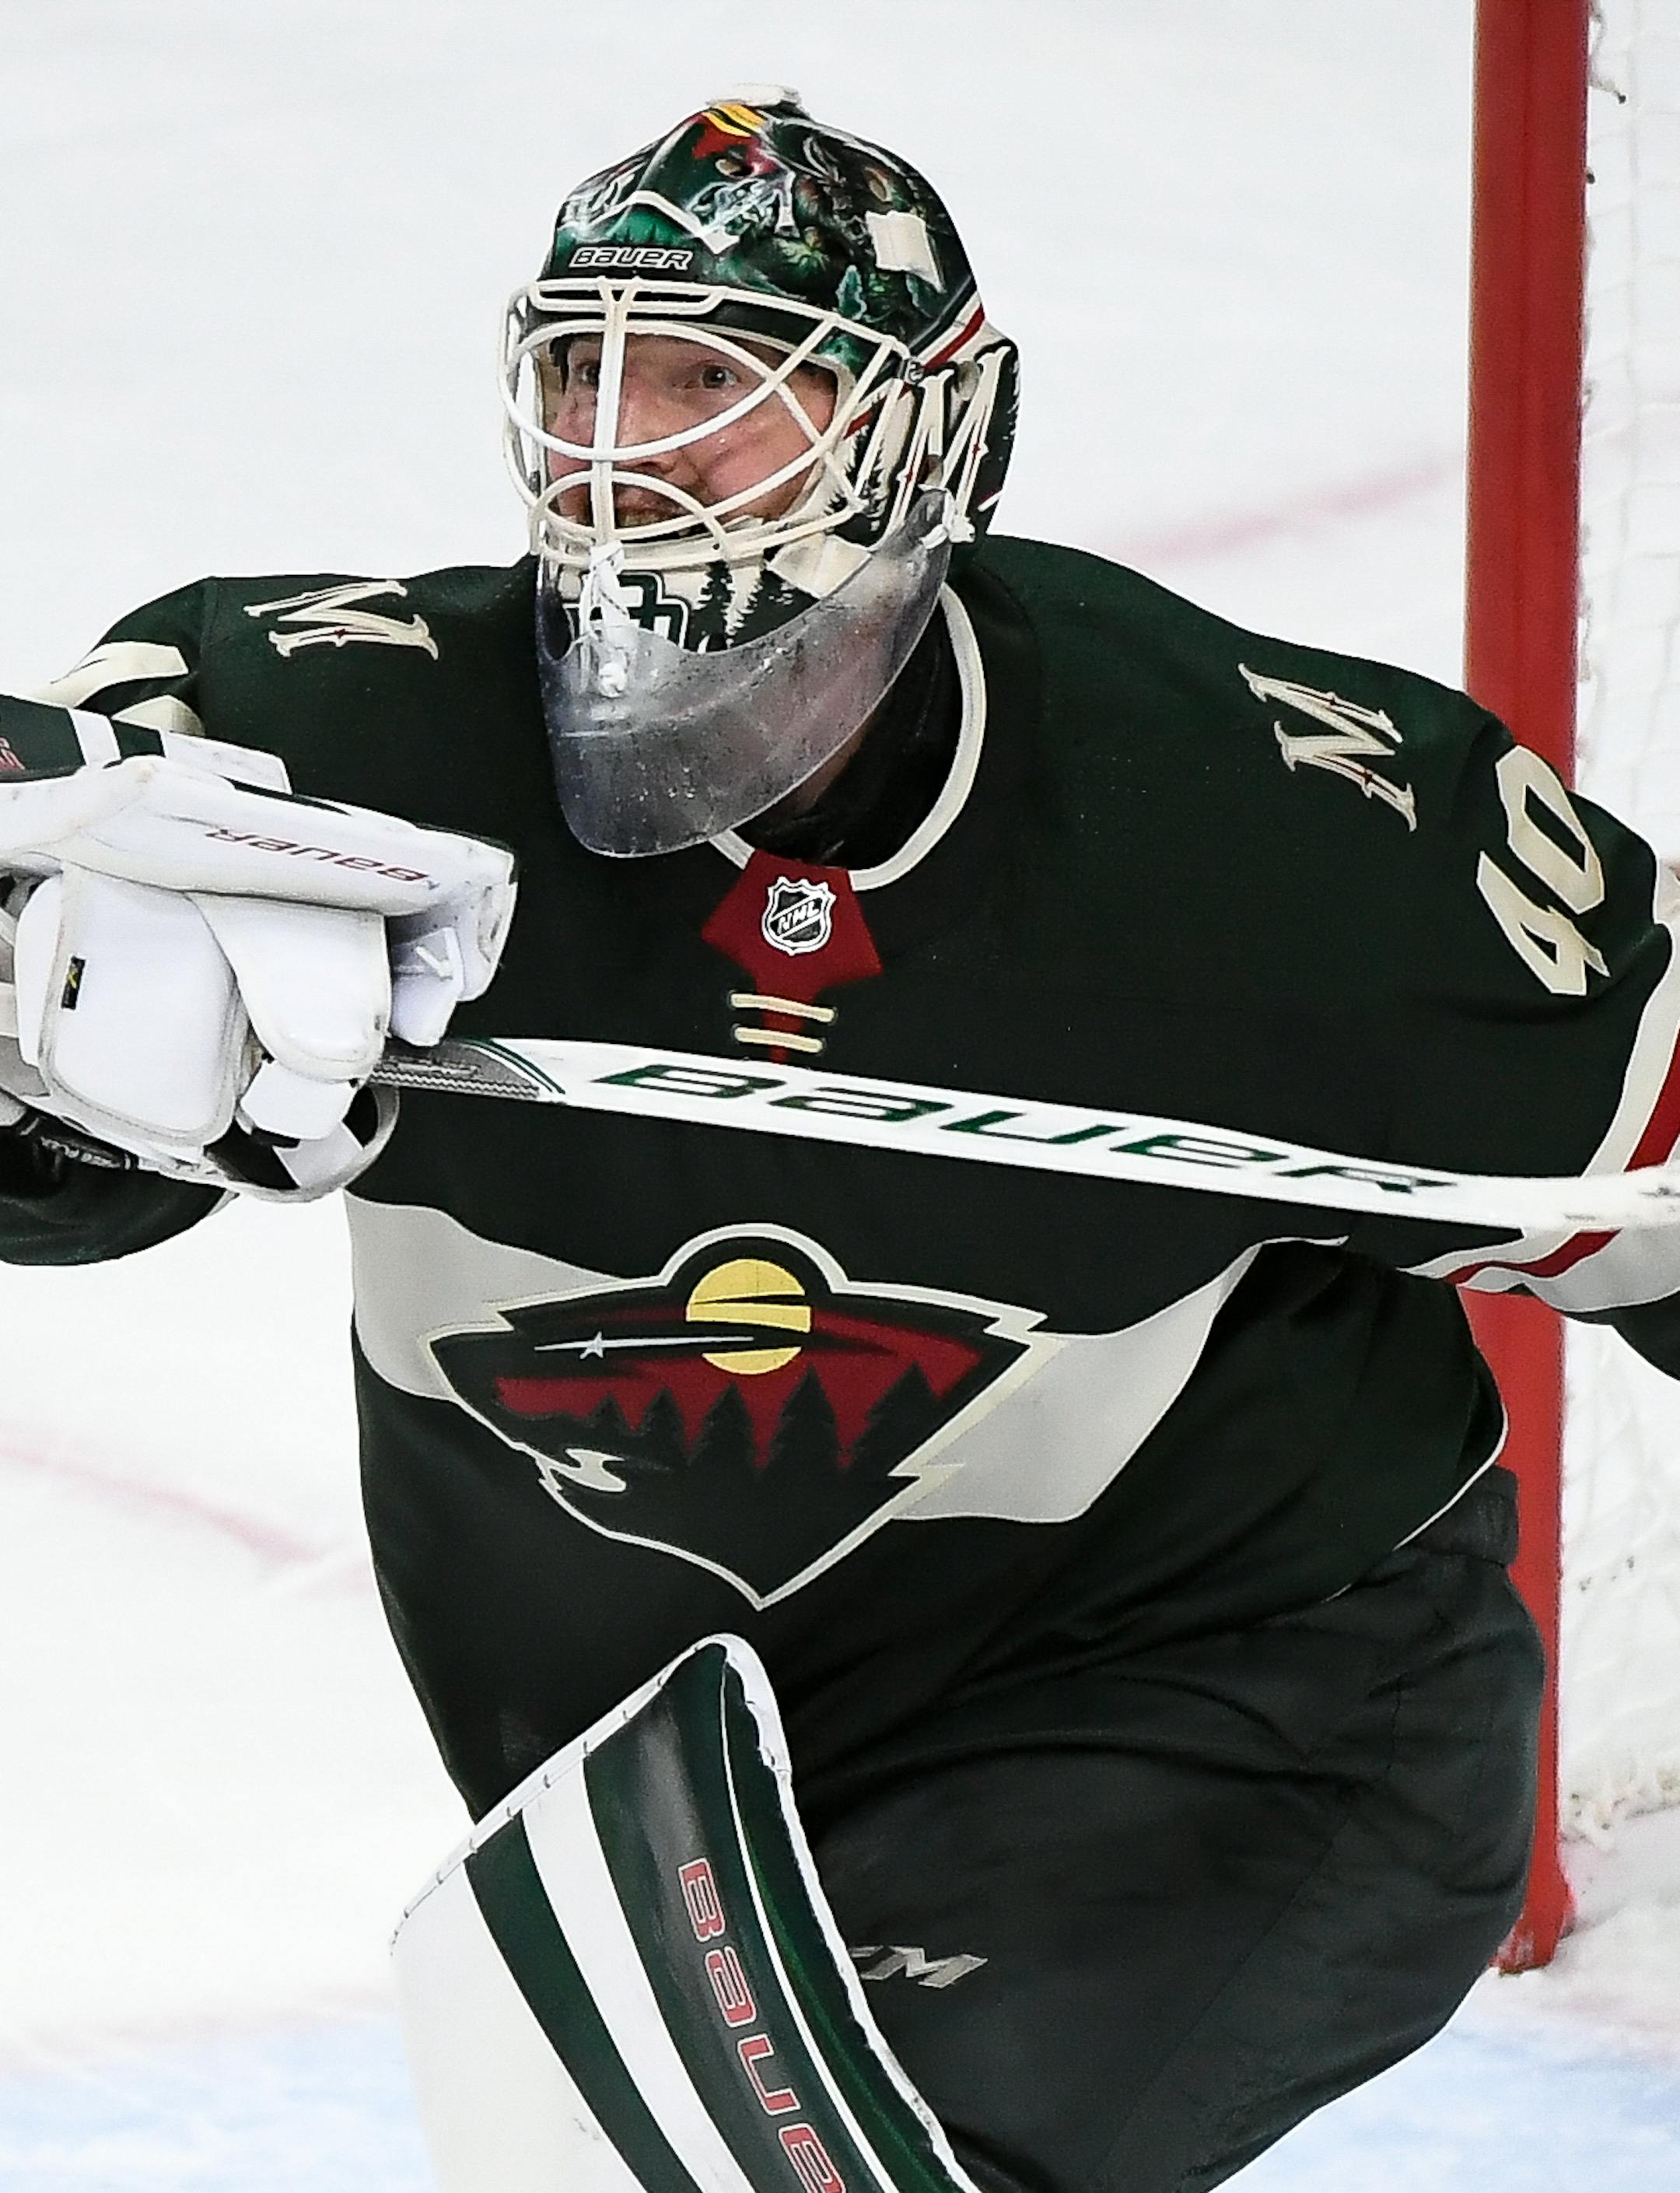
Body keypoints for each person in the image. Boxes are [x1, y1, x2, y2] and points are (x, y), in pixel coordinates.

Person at [0, 86, 1675, 2193]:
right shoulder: (337, 741)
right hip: (692, 1797)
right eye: (589, 371)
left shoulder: (1280, 840)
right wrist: (33, 1019)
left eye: (717, 384)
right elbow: (38, 971)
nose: (627, 450)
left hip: (1244, 1712)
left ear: (930, 439)